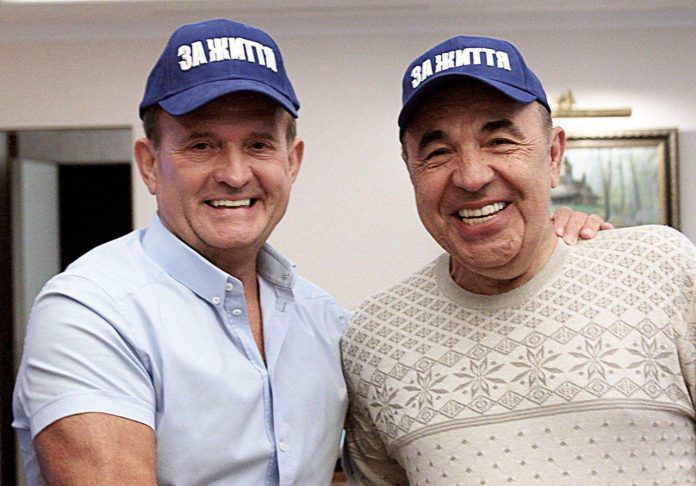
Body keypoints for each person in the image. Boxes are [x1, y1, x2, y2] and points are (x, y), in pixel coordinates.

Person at [11, 20, 607, 485]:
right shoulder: (93, 311)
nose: (235, 173)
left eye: (258, 144)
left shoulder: (325, 323)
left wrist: (555, 245)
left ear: (291, 162)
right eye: (201, 145)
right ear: (149, 164)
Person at [342, 35, 696, 485]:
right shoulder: (374, 336)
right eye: (438, 152)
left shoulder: (661, 269)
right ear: (410, 168)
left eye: (500, 141)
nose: (472, 177)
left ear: (553, 155)